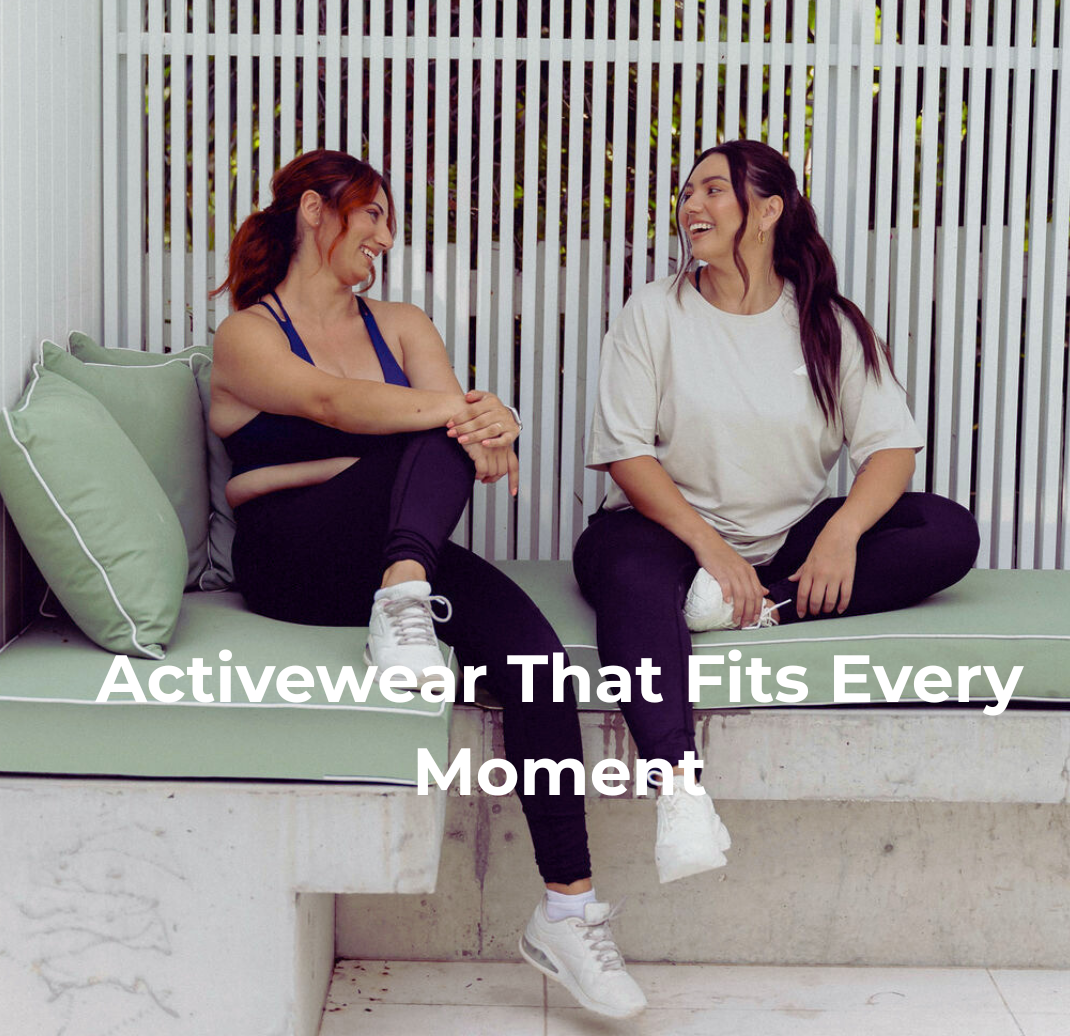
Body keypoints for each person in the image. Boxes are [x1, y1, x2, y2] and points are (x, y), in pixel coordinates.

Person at [208, 149, 646, 1019]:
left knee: (540, 665)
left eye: (385, 221)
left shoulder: (402, 326)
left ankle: (567, 910)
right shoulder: (247, 332)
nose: (383, 235)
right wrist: (475, 412)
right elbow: (337, 404)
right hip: (293, 561)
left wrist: (486, 425)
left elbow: (469, 445)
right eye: (369, 214)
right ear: (311, 210)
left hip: (390, 562)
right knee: (431, 432)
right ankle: (402, 597)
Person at [574, 139, 980, 880]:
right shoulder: (654, 312)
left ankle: (761, 608)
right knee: (632, 581)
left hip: (785, 542)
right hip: (659, 528)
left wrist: (843, 535)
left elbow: (890, 449)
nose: (691, 205)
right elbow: (626, 455)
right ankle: (679, 788)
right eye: (688, 191)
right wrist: (711, 549)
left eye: (712, 191)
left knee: (948, 529)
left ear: (766, 211)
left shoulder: (828, 323)